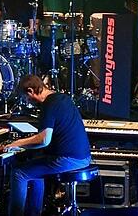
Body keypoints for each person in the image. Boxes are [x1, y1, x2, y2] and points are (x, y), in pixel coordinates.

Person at [6, 75, 91, 215]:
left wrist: (19, 143)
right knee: (34, 170)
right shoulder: (61, 98)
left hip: (69, 160)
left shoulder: (49, 104)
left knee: (19, 173)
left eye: (26, 97)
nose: (28, 101)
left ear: (30, 91)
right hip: (83, 157)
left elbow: (44, 140)